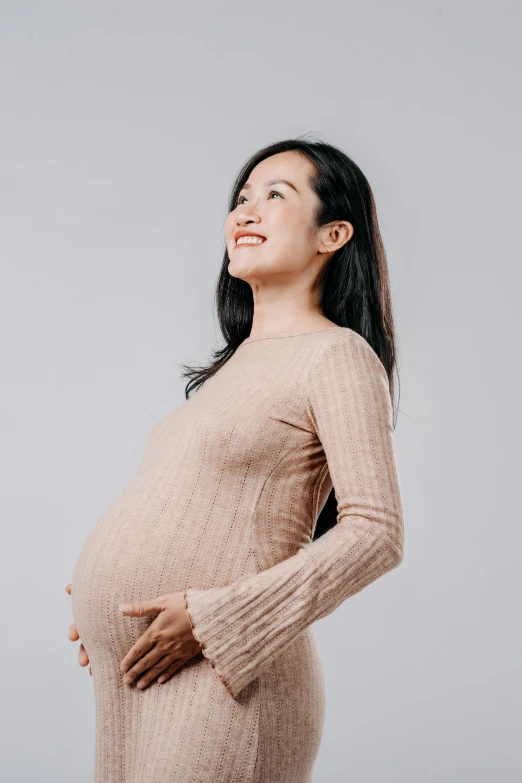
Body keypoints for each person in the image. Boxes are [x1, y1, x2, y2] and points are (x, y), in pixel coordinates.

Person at [66, 136, 405, 782]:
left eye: (275, 195)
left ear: (333, 234)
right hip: (140, 677)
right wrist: (104, 602)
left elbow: (377, 532)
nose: (244, 212)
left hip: (229, 678)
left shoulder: (335, 356)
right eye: (241, 198)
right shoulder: (228, 374)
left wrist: (215, 619)